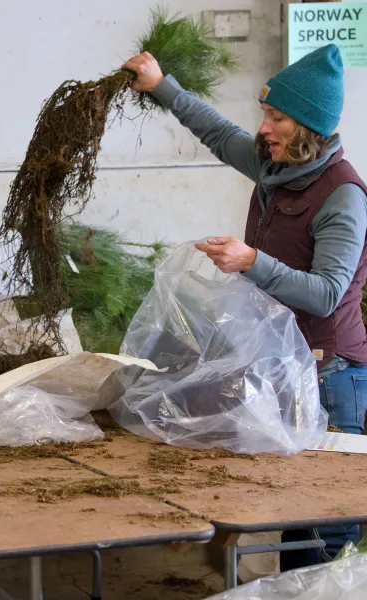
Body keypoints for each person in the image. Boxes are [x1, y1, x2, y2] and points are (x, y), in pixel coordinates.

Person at [122, 43, 367, 570]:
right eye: (264, 114)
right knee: (296, 520)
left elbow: (327, 292)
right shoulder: (272, 166)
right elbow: (215, 131)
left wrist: (251, 260)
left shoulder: (343, 195)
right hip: (286, 365)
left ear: (307, 126)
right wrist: (160, 84)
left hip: (332, 373)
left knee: (329, 531)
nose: (264, 128)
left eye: (276, 117)